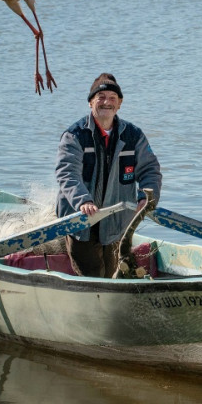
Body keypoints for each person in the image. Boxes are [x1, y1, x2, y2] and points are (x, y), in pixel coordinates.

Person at [55, 73, 162, 277]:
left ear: (120, 104)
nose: (107, 102)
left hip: (117, 220)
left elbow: (150, 170)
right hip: (82, 221)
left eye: (112, 98)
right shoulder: (74, 136)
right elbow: (67, 173)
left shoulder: (133, 135)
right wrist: (83, 200)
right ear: (90, 102)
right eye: (101, 97)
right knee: (94, 275)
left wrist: (147, 197)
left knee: (113, 273)